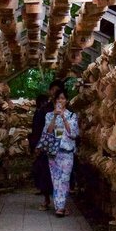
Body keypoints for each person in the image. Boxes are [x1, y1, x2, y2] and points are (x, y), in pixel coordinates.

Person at [42, 87, 79, 217]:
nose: (60, 101)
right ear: (54, 101)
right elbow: (48, 132)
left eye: (63, 99)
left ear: (66, 101)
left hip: (67, 151)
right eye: (58, 99)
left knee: (65, 178)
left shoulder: (72, 116)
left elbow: (74, 133)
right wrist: (55, 117)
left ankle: (61, 205)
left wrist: (63, 118)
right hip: (53, 151)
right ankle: (60, 207)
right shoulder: (49, 115)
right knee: (56, 179)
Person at [29, 80, 62, 208]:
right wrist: (37, 145)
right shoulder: (45, 109)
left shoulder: (65, 109)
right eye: (53, 89)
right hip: (46, 145)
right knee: (46, 173)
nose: (54, 92)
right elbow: (37, 128)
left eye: (57, 90)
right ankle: (47, 199)